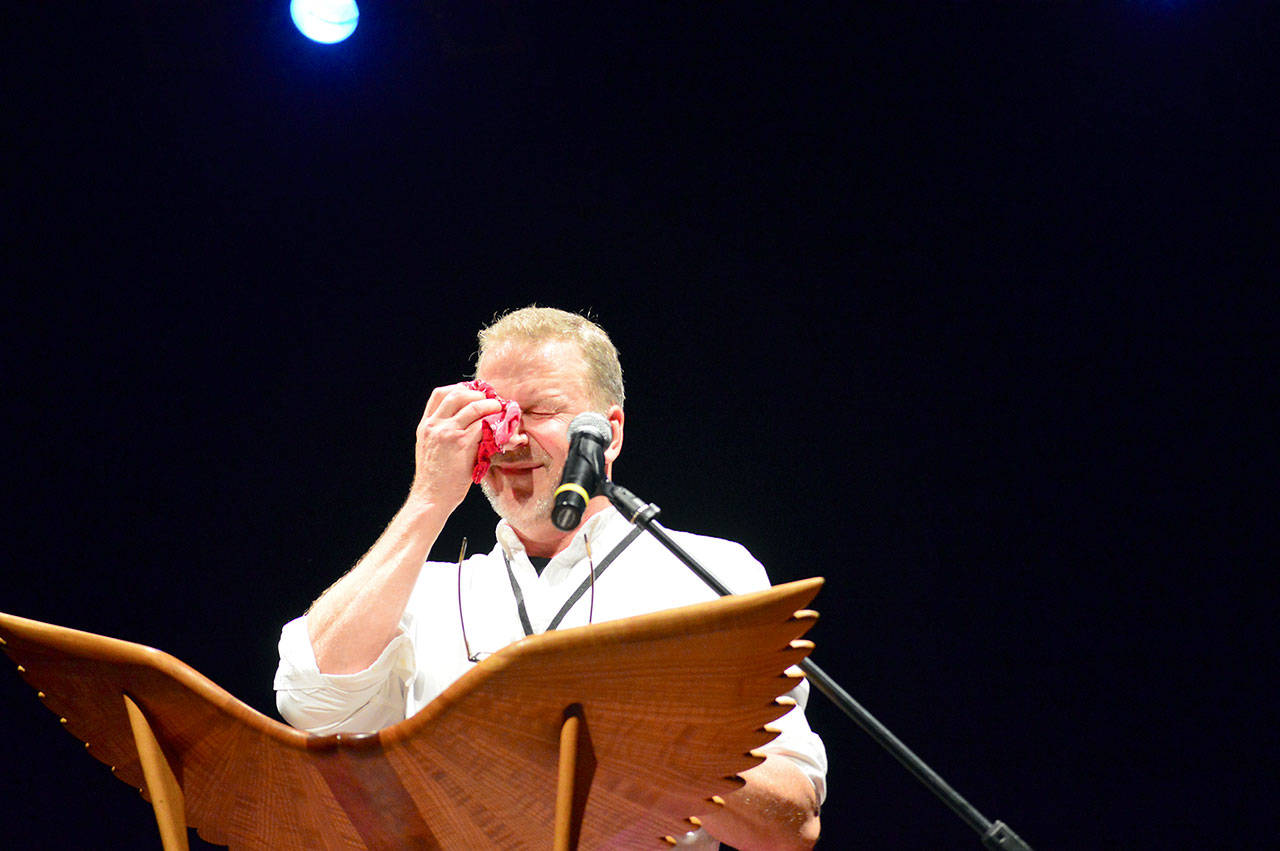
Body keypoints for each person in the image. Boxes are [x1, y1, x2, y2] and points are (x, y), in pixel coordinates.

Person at [275, 306, 826, 849]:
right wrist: (429, 499)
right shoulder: (426, 592)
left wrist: (627, 737)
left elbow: (789, 823)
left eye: (539, 411)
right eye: (493, 414)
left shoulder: (707, 574)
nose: (511, 437)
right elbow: (310, 700)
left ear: (609, 432)